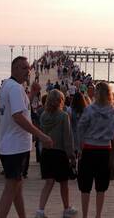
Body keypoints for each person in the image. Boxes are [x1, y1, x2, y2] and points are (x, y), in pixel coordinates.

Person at [0, 56, 53, 218]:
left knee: (17, 188)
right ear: (13, 69)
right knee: (10, 188)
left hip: (10, 145)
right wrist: (41, 135)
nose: (27, 71)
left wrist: (33, 93)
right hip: (15, 147)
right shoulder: (15, 88)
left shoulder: (8, 85)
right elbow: (18, 116)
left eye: (28, 68)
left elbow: (19, 106)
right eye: (23, 68)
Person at [77, 82, 114, 218]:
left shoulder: (89, 109)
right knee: (101, 186)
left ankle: (85, 215)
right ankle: (98, 215)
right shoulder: (113, 110)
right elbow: (113, 130)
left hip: (89, 148)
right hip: (105, 149)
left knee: (85, 186)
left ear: (96, 93)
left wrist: (80, 145)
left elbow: (80, 128)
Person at [35, 89, 77, 218]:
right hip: (60, 153)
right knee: (63, 183)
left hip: (46, 153)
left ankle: (40, 211)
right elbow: (67, 138)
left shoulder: (43, 116)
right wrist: (72, 156)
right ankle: (66, 209)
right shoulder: (63, 116)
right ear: (60, 101)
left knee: (48, 183)